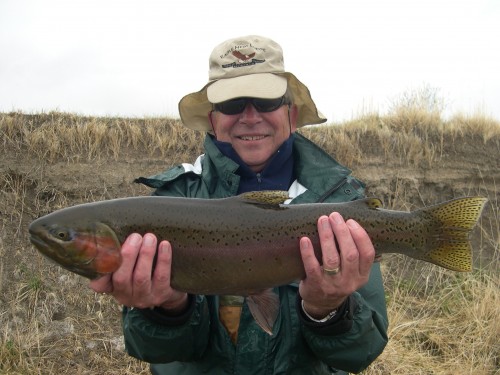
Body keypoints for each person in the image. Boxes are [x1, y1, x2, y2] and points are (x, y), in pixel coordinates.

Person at [90, 35, 388, 374]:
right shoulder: (169, 203)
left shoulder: (341, 204)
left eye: (265, 101)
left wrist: (329, 310)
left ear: (291, 114)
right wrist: (169, 308)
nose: (250, 116)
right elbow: (153, 350)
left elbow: (362, 353)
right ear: (213, 120)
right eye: (232, 105)